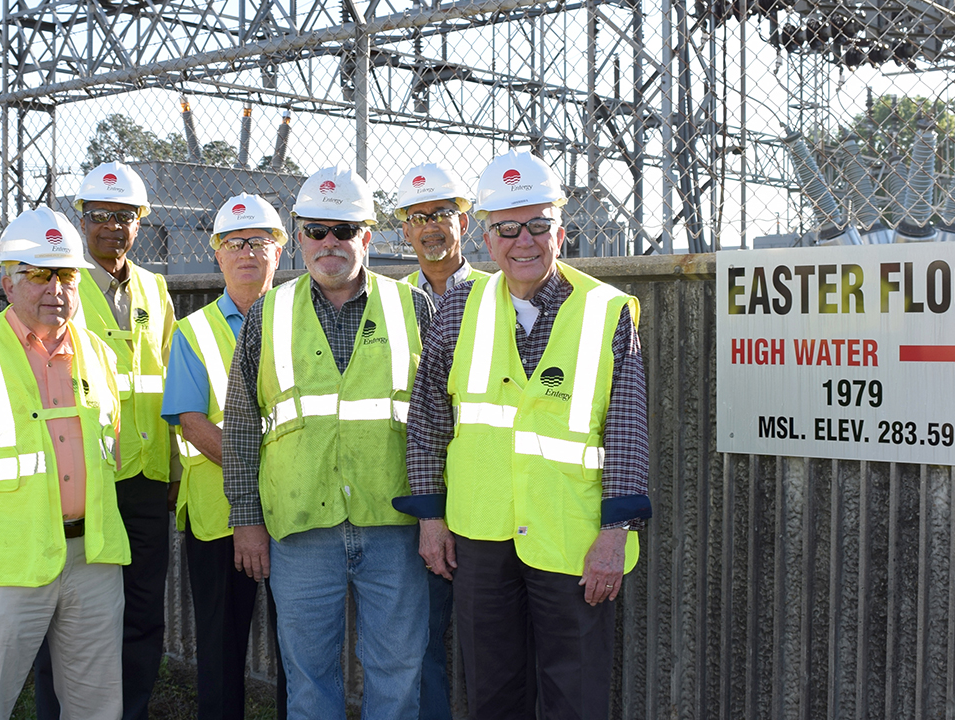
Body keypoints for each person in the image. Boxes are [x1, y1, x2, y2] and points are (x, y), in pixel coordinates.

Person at [399, 150, 651, 720]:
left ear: (560, 230)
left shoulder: (606, 312)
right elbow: (428, 420)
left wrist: (615, 534)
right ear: (486, 239)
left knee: (576, 691)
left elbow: (628, 432)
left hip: (571, 537)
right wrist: (431, 518)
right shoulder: (462, 304)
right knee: (492, 690)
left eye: (538, 225)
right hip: (480, 533)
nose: (524, 242)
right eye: (508, 228)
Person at [222, 167, 435, 719]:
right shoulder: (268, 314)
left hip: (394, 527)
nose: (329, 242)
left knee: (397, 671)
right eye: (316, 230)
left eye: (344, 229)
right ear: (300, 238)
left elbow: (440, 420)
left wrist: (435, 514)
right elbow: (244, 422)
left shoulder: (413, 308)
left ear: (367, 236)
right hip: (300, 530)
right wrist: (246, 519)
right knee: (308, 679)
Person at [0, 206, 130, 719]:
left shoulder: (99, 354)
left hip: (91, 560)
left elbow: (110, 451)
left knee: (97, 706)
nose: (55, 288)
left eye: (67, 275)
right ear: (7, 284)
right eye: (38, 274)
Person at [33, 161, 178, 720]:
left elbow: (164, 380)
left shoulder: (153, 288)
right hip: (86, 480)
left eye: (125, 217)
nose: (112, 228)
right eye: (100, 216)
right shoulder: (60, 285)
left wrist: (174, 468)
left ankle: (129, 712)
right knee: (70, 616)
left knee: (142, 614)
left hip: (144, 478)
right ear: (81, 219)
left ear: (140, 222)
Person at [162, 193, 288, 719]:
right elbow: (191, 423)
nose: (247, 254)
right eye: (235, 243)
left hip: (295, 513)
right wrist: (263, 477)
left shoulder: (298, 319)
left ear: (279, 252)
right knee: (220, 647)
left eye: (259, 242)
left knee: (298, 651)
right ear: (216, 253)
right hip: (219, 519)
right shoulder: (192, 332)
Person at [394, 161, 491, 719]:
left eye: (443, 214)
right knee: (420, 634)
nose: (432, 226)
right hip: (417, 491)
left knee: (491, 636)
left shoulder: (496, 292)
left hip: (482, 491)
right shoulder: (388, 300)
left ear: (465, 221)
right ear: (404, 228)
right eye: (418, 216)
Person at [396, 162, 489, 303]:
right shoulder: (395, 296)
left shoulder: (491, 290)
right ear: (406, 232)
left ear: (462, 224)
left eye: (442, 215)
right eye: (418, 219)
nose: (430, 228)